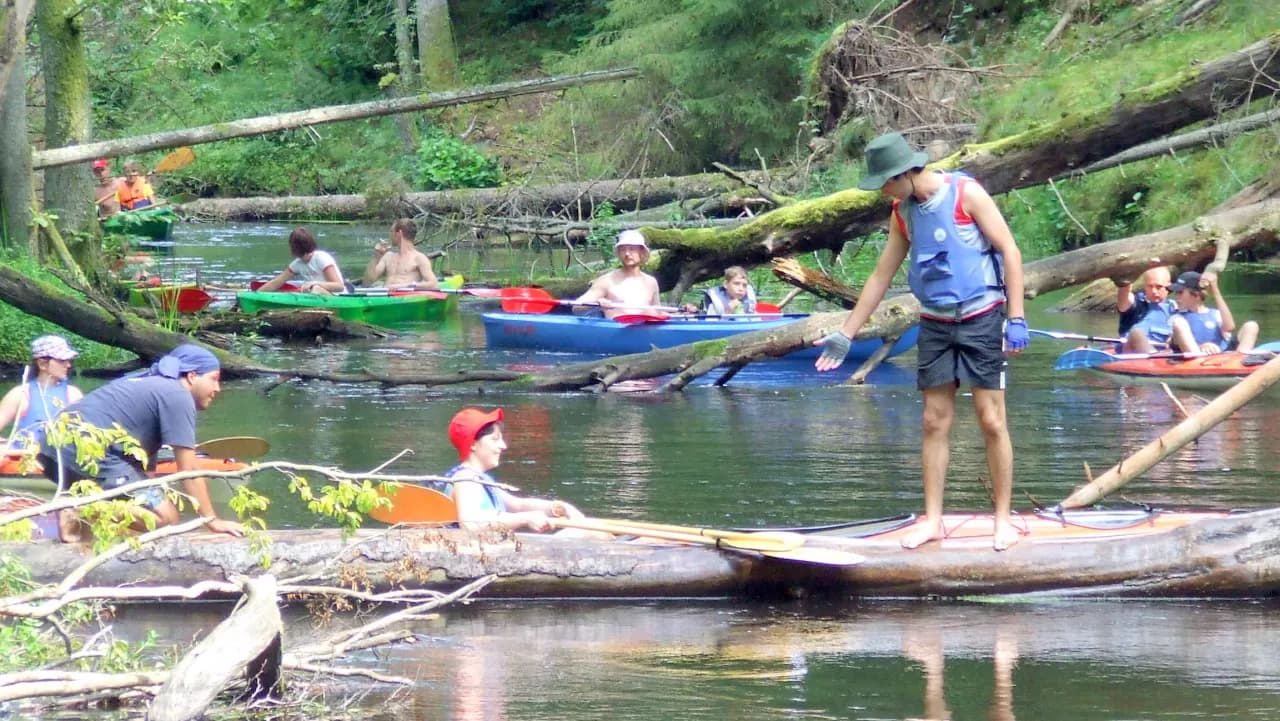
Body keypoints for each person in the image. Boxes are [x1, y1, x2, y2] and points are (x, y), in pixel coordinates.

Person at [814, 131, 1028, 551]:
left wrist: (1016, 317)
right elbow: (881, 275)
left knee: (990, 418)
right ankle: (933, 520)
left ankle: (1003, 519)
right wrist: (847, 332)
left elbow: (1010, 251)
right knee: (933, 421)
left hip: (982, 318)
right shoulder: (903, 213)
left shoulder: (967, 194)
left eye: (886, 183)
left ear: (906, 173)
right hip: (935, 323)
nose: (882, 193)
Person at [36, 344, 244, 537]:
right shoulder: (177, 395)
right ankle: (79, 511)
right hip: (86, 451)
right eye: (214, 379)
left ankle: (79, 522)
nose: (217, 388)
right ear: (191, 376)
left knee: (144, 514)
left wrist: (147, 493)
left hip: (51, 451)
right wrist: (212, 521)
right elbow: (189, 469)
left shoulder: (147, 383)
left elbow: (144, 461)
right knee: (165, 519)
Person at [442, 407, 590, 533]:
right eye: (495, 439)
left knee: (596, 534)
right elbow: (471, 524)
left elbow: (519, 505)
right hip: (482, 555)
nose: (503, 446)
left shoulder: (479, 479)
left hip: (492, 551)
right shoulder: (465, 480)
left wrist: (557, 508)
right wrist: (525, 519)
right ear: (473, 444)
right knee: (593, 536)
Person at [1130, 270, 1259, 355]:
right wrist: (1201, 347)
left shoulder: (1215, 314)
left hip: (1223, 357)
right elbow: (1170, 341)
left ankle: (1241, 359)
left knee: (1251, 325)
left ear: (1196, 295)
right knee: (1178, 322)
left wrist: (1215, 290)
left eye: (1181, 293)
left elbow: (1229, 327)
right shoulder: (1177, 317)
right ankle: (1197, 357)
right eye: (1176, 293)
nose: (1176, 297)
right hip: (1194, 358)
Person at [0, 336, 84, 454]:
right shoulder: (20, 394)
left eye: (69, 360)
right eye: (61, 361)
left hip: (61, 460)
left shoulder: (74, 394)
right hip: (24, 461)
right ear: (42, 364)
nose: (68, 365)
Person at [574, 230, 662, 319]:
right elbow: (576, 307)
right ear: (619, 253)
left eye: (632, 249)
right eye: (623, 249)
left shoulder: (651, 282)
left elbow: (659, 312)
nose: (627, 254)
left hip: (644, 330)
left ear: (641, 252)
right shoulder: (606, 281)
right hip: (615, 329)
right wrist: (597, 303)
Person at [254, 226, 347, 294]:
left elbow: (339, 286)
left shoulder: (321, 258)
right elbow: (276, 283)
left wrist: (315, 283)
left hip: (336, 297)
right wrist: (256, 295)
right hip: (315, 295)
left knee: (315, 289)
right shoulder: (297, 264)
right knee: (303, 290)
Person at [362, 218, 440, 290]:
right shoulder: (388, 256)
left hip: (404, 299)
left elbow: (434, 284)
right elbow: (367, 282)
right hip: (385, 297)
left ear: (399, 233)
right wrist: (377, 256)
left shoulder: (419, 258)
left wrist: (400, 286)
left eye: (391, 232)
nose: (390, 235)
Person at [1116, 267, 1176, 352]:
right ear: (1145, 286)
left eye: (1159, 287)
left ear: (1169, 287)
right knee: (1137, 333)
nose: (1154, 291)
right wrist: (1126, 280)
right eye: (1150, 286)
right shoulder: (1137, 303)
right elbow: (1124, 296)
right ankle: (1154, 356)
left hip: (1165, 354)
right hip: (1132, 353)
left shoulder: (1175, 308)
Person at [683, 266, 757, 315]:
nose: (741, 288)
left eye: (744, 285)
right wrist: (728, 312)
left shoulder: (748, 300)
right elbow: (710, 324)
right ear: (726, 284)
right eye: (736, 283)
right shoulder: (715, 300)